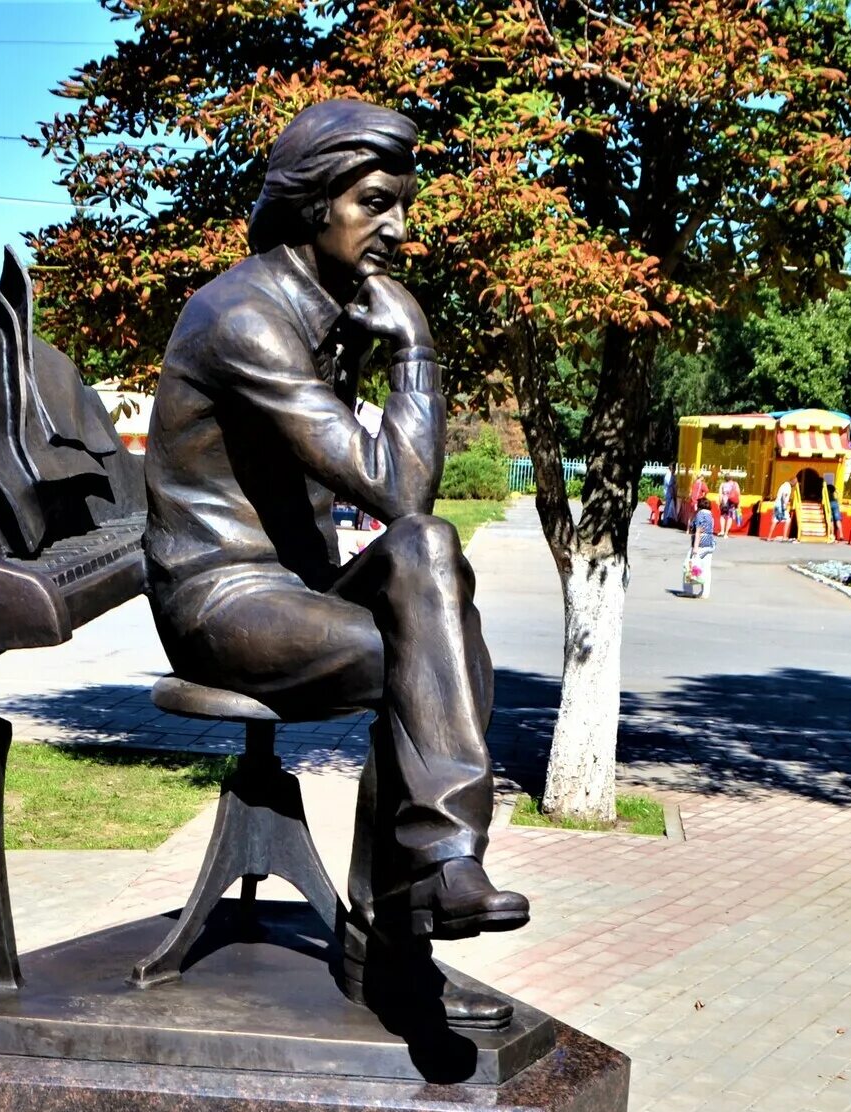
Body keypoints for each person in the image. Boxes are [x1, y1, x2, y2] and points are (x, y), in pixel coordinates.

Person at [143, 98, 525, 1026]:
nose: (398, 228)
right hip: (220, 599)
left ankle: (436, 873)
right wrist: (418, 356)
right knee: (427, 660)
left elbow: (414, 515)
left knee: (428, 560)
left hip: (300, 591)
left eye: (403, 205)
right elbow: (394, 485)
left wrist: (400, 347)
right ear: (316, 203)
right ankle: (402, 928)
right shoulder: (243, 317)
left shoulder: (332, 307)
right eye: (376, 203)